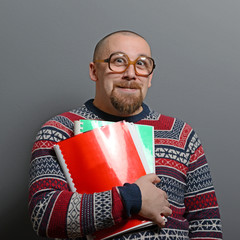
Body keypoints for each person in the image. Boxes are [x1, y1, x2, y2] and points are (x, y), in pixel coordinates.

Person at [29, 30, 223, 239]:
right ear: (94, 72)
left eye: (141, 64)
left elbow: (206, 223)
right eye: (119, 61)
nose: (131, 73)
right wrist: (132, 199)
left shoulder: (180, 134)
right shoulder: (60, 129)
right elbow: (45, 215)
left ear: (149, 77)